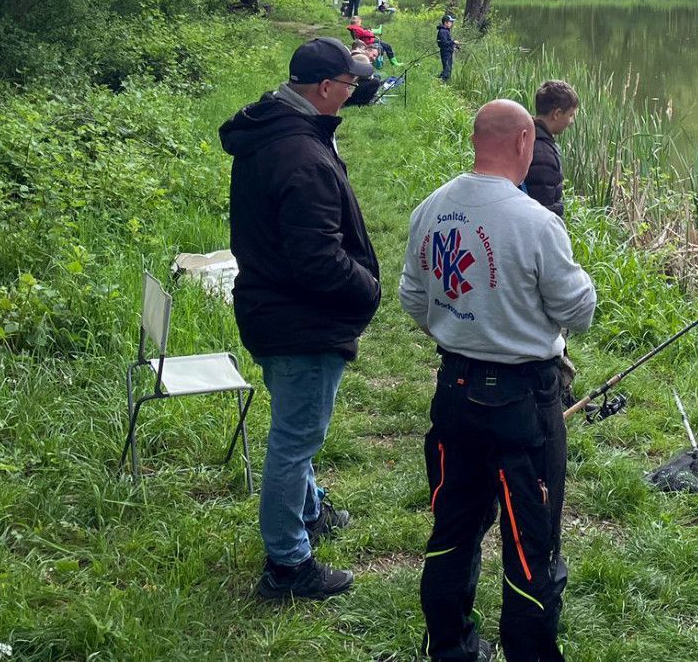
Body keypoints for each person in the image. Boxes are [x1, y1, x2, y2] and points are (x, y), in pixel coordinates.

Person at [399, 99, 597, 662]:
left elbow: (413, 297)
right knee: (531, 541)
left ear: (476, 140)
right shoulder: (537, 223)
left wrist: (460, 329)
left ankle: (450, 647)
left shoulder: (431, 208)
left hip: (454, 392)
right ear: (524, 143)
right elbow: (579, 310)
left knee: (454, 527)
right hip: (524, 404)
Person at [219, 37, 381, 602]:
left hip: (270, 306)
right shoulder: (301, 155)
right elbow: (317, 258)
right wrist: (367, 289)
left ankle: (310, 512)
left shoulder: (275, 128)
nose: (354, 91)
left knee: (297, 426)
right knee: (295, 441)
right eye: (350, 83)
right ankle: (288, 565)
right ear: (324, 88)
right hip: (298, 320)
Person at [523, 80, 579, 218]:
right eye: (570, 115)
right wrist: (559, 209)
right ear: (557, 114)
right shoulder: (544, 156)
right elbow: (542, 211)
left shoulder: (526, 135)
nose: (571, 122)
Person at [437, 14, 460, 82]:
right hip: (445, 52)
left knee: (448, 68)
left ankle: (440, 80)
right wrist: (453, 42)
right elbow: (444, 43)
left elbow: (448, 42)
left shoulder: (446, 31)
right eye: (450, 22)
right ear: (446, 22)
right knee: (447, 69)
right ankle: (442, 82)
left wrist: (455, 46)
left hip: (448, 52)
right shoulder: (442, 31)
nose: (452, 23)